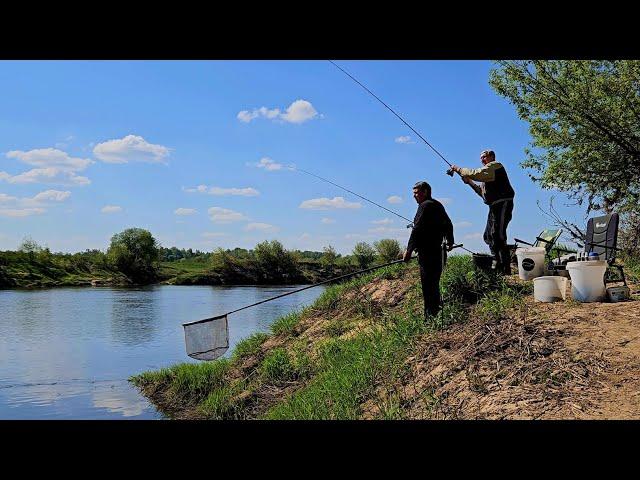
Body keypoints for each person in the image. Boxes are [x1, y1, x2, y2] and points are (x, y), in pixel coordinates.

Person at [450, 149, 515, 274]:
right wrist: (469, 181)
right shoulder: (488, 176)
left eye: (484, 157)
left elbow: (477, 173)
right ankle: (497, 262)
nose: (482, 159)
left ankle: (504, 266)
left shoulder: (495, 166)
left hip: (503, 203)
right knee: (488, 236)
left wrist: (459, 169)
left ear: (492, 157)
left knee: (497, 234)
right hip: (494, 206)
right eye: (481, 157)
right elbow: (482, 193)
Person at [403, 181, 454, 319]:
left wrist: (408, 250)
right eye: (413, 193)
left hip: (428, 254)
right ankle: (435, 314)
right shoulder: (437, 205)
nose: (414, 196)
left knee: (428, 287)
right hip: (439, 253)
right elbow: (448, 223)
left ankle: (429, 317)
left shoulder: (424, 206)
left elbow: (417, 229)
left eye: (416, 193)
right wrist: (450, 241)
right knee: (434, 285)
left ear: (425, 192)